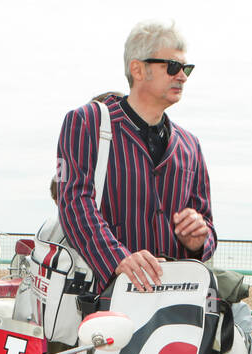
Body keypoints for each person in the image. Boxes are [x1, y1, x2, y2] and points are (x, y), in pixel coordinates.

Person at [55, 18, 215, 294]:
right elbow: (73, 203)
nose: (183, 76)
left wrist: (199, 239)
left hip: (172, 305)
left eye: (186, 68)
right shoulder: (87, 122)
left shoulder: (190, 145)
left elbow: (208, 226)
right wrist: (119, 259)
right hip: (101, 302)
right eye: (173, 67)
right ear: (137, 69)